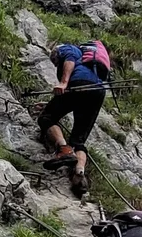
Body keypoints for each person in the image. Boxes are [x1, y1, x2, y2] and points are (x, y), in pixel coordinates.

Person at [37, 41, 107, 198]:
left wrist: (63, 82)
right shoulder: (90, 63)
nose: (56, 65)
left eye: (54, 62)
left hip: (78, 85)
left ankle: (64, 150)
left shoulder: (67, 49)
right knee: (78, 140)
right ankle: (79, 174)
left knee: (46, 118)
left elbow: (69, 59)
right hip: (97, 91)